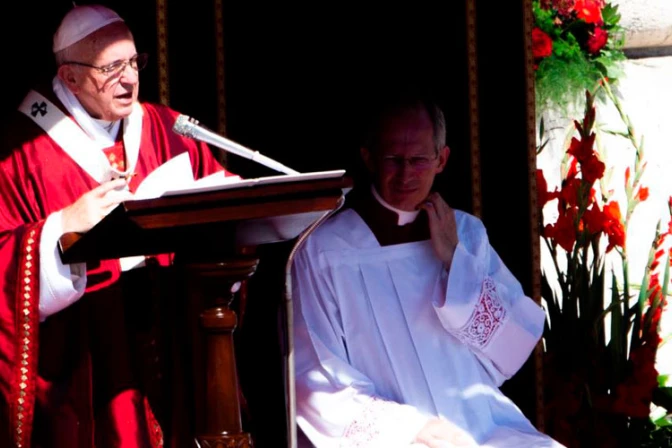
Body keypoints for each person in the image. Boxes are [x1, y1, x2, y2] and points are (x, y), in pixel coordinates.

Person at [0, 4, 238, 447]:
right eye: (111, 68)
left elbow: (221, 204)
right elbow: (4, 261)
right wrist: (60, 230)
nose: (129, 79)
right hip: (87, 359)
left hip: (169, 338)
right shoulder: (23, 152)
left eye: (133, 62)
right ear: (70, 77)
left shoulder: (167, 128)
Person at [290, 94, 564, 447]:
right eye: (393, 159)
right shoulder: (323, 250)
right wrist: (409, 429)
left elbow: (511, 348)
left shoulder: (466, 233)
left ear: (441, 159)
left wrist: (455, 261)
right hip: (398, 436)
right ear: (369, 158)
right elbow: (315, 375)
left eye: (419, 159)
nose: (406, 173)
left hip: (483, 425)